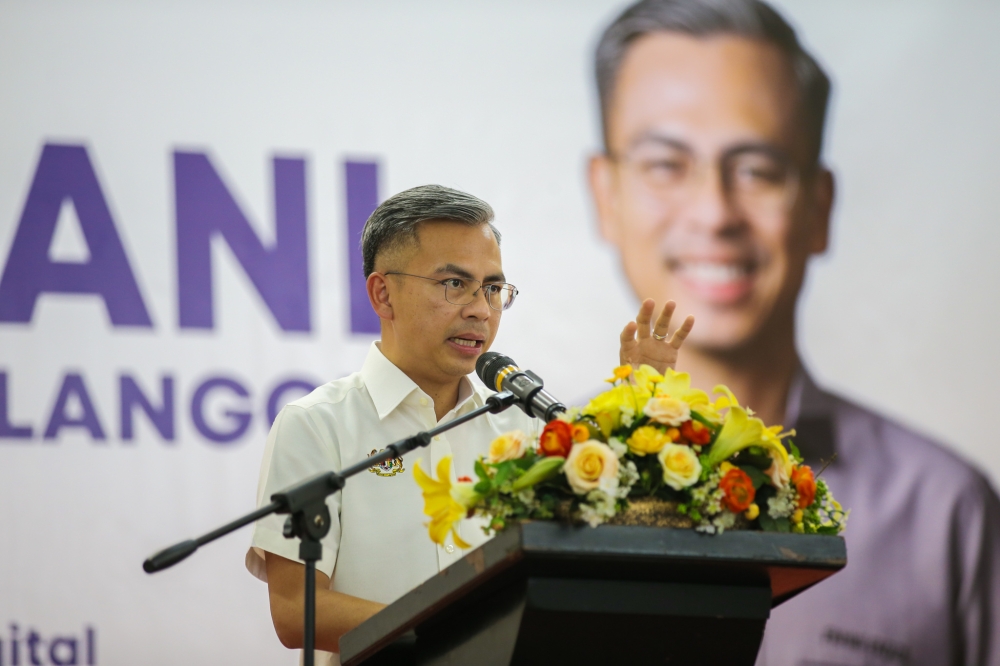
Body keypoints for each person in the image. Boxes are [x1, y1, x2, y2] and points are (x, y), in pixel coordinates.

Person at [589, 1, 1000, 664]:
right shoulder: (543, 487)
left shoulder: (944, 513)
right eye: (666, 164)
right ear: (604, 195)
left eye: (758, 170)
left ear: (819, 206)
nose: (715, 213)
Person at [244, 184, 693, 663]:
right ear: (383, 294)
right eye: (454, 284)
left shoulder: (525, 431)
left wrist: (639, 403)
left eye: (493, 289)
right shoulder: (318, 425)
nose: (481, 309)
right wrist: (461, 634)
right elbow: (297, 610)